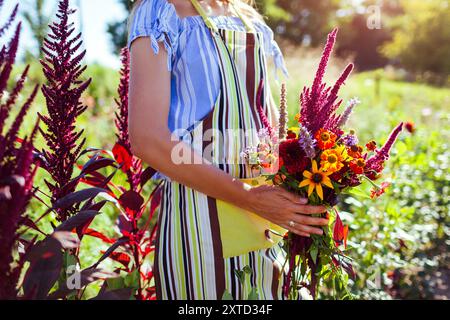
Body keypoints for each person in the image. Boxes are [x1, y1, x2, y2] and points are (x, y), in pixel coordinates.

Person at [128, 0, 328, 300]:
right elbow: (147, 138)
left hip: (265, 218)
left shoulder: (245, 16)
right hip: (198, 218)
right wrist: (249, 198)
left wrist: (307, 184)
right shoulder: (162, 11)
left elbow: (270, 124)